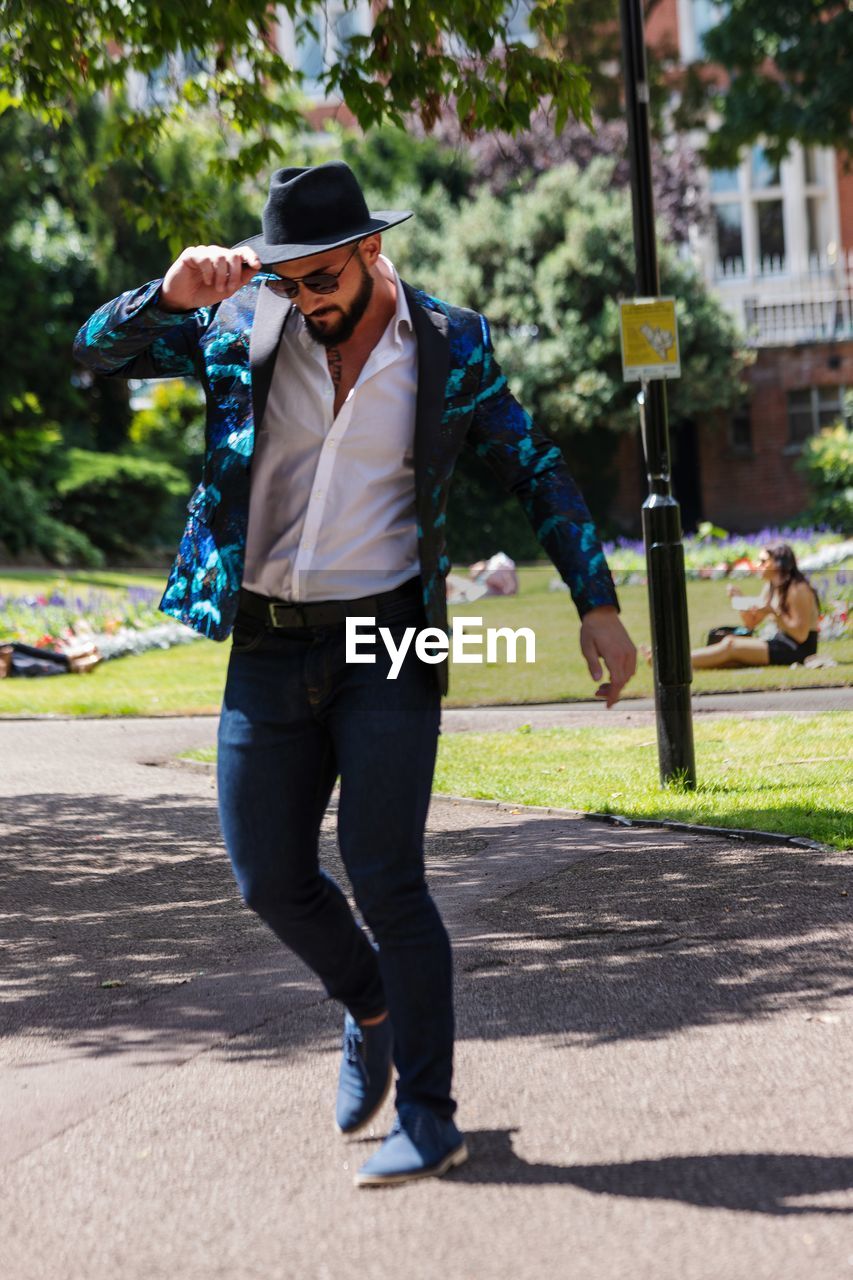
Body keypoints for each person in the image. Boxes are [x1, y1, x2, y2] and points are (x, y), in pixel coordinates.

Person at [73, 161, 636, 1187]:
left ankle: (427, 1111)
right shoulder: (239, 323)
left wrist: (596, 602)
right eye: (286, 281)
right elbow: (94, 353)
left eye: (320, 277)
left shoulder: (449, 343)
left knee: (387, 872)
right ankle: (369, 1000)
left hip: (390, 636)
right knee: (267, 876)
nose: (304, 299)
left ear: (372, 251)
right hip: (270, 636)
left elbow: (533, 464)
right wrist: (166, 294)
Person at [690, 542, 820, 670]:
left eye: (763, 561)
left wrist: (775, 613)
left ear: (778, 564)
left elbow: (800, 635)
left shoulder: (797, 589)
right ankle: (683, 664)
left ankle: (680, 664)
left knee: (731, 645)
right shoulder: (771, 586)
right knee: (730, 652)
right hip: (781, 642)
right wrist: (739, 600)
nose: (758, 565)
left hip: (798, 649)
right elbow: (751, 623)